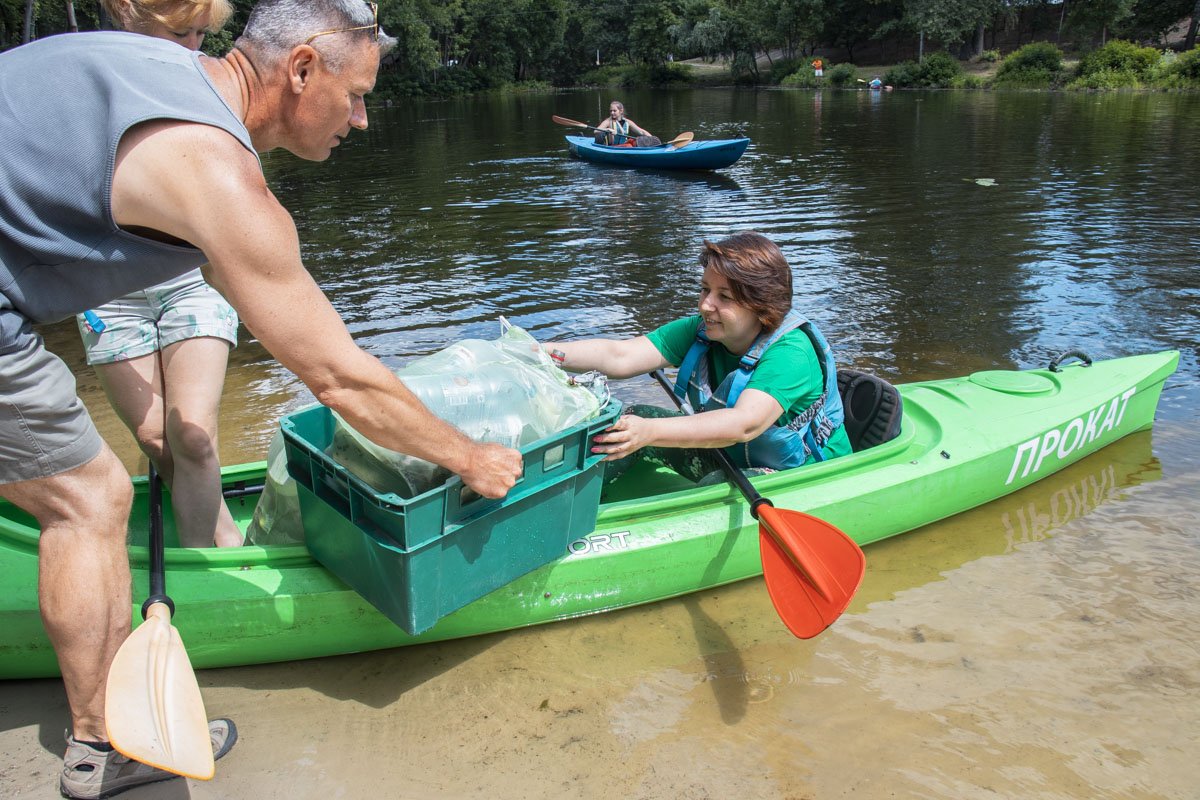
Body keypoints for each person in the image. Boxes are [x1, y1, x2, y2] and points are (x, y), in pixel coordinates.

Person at [0, 2, 523, 797]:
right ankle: (103, 743)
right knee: (89, 501)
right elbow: (338, 377)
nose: (364, 120)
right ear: (302, 68)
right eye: (356, 95)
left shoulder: (163, 65)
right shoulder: (217, 169)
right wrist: (468, 457)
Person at [78, 0, 243, 549]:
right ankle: (225, 541)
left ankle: (207, 568)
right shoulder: (82, 75)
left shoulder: (204, 85)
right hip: (109, 294)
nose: (195, 46)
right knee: (157, 442)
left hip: (186, 279)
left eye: (202, 33)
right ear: (126, 9)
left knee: (192, 437)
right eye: (185, 30)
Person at [546, 232, 852, 487]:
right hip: (732, 452)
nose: (706, 305)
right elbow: (620, 355)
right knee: (623, 423)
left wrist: (649, 432)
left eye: (724, 297)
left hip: (808, 474)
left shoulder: (792, 353)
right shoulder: (704, 330)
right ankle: (576, 501)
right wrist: (544, 354)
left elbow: (743, 425)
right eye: (705, 289)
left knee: (715, 485)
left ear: (762, 305)